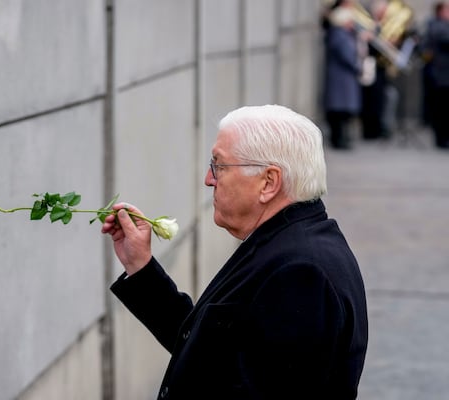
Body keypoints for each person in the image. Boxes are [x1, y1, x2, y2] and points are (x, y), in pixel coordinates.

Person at [101, 105, 369, 399]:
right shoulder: (286, 243)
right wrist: (142, 268)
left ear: (268, 182)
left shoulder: (301, 272)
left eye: (219, 165)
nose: (209, 178)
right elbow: (213, 352)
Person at [323, 4, 365, 149]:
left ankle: (342, 139)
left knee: (343, 113)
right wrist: (358, 67)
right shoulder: (339, 35)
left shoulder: (344, 34)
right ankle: (339, 140)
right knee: (339, 112)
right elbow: (347, 55)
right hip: (341, 79)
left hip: (344, 79)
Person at [424, 1, 449, 149]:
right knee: (441, 109)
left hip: (444, 75)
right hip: (441, 75)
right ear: (441, 12)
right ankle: (441, 139)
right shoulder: (436, 25)